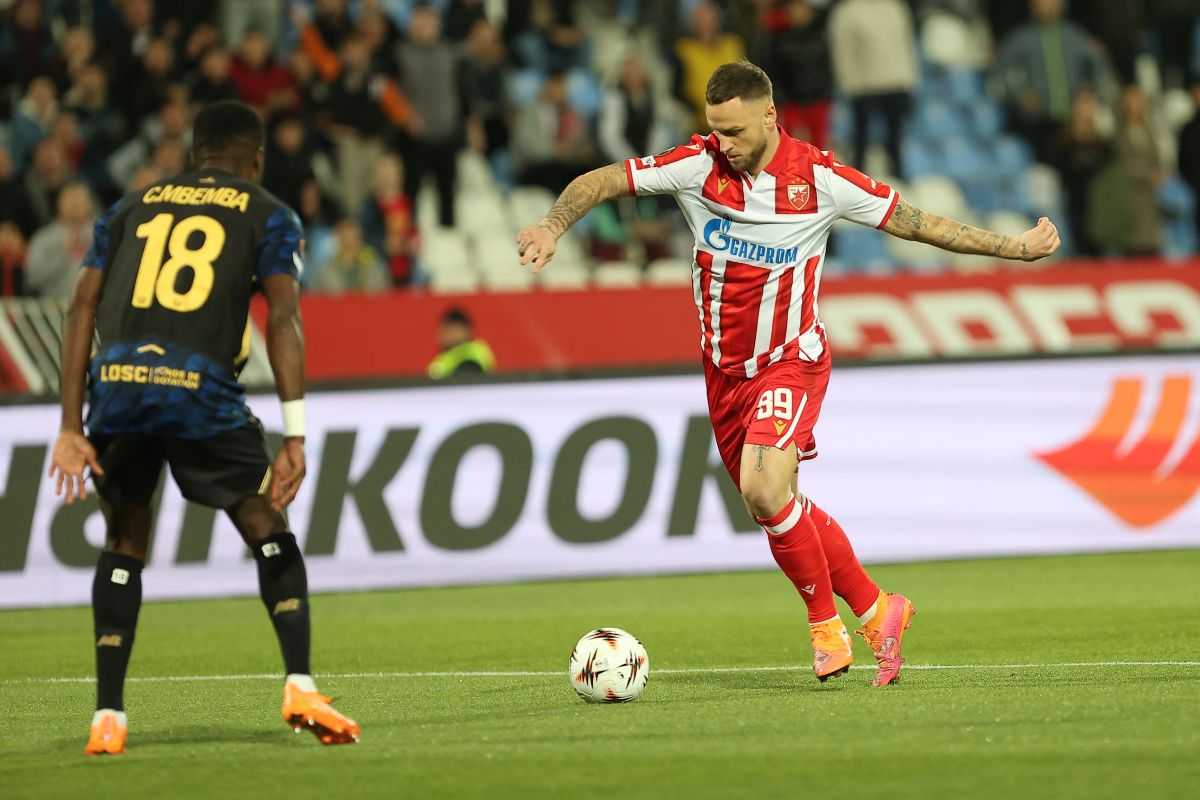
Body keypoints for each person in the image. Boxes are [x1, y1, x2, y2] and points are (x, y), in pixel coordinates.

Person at [517, 61, 1060, 686]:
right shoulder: (698, 166)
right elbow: (607, 178)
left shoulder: (821, 179)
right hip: (724, 374)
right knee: (777, 505)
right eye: (715, 130)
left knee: (765, 490)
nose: (724, 144)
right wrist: (553, 225)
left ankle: (825, 629)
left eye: (736, 131)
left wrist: (1013, 248)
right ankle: (881, 610)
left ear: (770, 116)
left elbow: (921, 224)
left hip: (790, 360)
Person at [49, 100, 360, 756]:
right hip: (198, 391)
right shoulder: (269, 212)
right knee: (266, 525)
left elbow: (80, 308)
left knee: (124, 540)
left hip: (119, 388)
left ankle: (108, 715)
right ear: (256, 160)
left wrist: (70, 426)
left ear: (194, 154)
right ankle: (300, 686)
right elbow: (282, 319)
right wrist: (295, 435)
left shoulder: (128, 207)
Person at [828, 0, 918, 175]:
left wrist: (908, 78)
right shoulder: (847, 12)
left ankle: (899, 180)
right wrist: (849, 83)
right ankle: (858, 182)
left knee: (895, 140)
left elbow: (906, 45)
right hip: (863, 85)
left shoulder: (895, 8)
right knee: (860, 141)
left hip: (895, 82)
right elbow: (842, 50)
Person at [24, 181, 95, 299]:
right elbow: (32, 278)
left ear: (89, 205)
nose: (75, 204)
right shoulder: (44, 238)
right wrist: (61, 255)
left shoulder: (105, 236)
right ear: (59, 204)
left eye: (79, 199)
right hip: (52, 307)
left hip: (96, 307)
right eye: (70, 199)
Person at [428, 307, 496, 379]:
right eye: (445, 329)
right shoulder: (446, 357)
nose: (448, 334)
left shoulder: (470, 357)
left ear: (467, 330)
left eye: (453, 329)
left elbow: (465, 385)